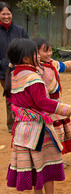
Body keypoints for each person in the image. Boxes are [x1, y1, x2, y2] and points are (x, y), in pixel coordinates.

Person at [4, 38, 71, 194]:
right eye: (35, 53)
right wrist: (69, 110)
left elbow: (11, 100)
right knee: (47, 162)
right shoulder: (33, 77)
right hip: (39, 127)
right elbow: (43, 102)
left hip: (22, 128)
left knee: (34, 163)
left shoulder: (13, 75)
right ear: (27, 58)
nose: (38, 55)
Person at [34, 37, 71, 158]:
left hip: (56, 104)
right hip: (44, 106)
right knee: (49, 133)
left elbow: (65, 66)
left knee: (60, 132)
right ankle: (49, 158)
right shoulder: (34, 69)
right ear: (35, 53)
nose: (49, 53)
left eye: (50, 50)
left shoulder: (53, 64)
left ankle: (58, 157)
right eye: (45, 51)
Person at [0, 2, 28, 132]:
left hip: (20, 69)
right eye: (3, 14)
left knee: (23, 95)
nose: (6, 16)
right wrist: (3, 62)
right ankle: (12, 125)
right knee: (10, 96)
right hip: (3, 71)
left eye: (8, 13)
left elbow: (28, 46)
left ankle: (22, 120)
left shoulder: (20, 30)